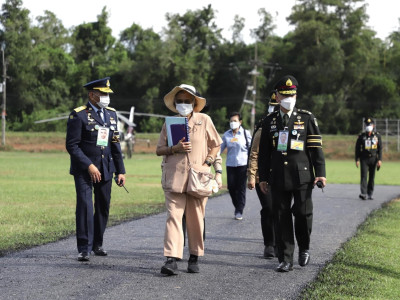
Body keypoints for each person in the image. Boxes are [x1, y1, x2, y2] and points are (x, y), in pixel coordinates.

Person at [258, 75, 326, 272]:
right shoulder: (269, 121)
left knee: (303, 214)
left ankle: (304, 248)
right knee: (281, 216)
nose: (289, 98)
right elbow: (263, 154)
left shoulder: (306, 118)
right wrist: (263, 177)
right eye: (285, 95)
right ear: (277, 97)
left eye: (293, 94)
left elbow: (315, 148)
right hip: (278, 175)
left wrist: (320, 173)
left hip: (302, 175)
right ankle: (285, 258)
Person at [156, 84, 222, 275]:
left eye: (187, 101)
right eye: (180, 101)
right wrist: (173, 148)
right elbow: (159, 149)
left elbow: (216, 144)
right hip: (174, 175)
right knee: (173, 217)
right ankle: (171, 259)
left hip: (198, 176)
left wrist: (209, 161)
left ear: (194, 103)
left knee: (196, 219)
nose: (183, 104)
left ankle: (194, 256)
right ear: (175, 104)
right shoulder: (169, 123)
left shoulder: (204, 120)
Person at [66, 77, 126, 262]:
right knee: (85, 206)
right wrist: (89, 165)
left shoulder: (111, 114)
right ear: (92, 95)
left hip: (106, 167)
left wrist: (120, 170)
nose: (107, 97)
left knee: (103, 206)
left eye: (108, 94)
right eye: (103, 94)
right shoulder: (79, 115)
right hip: (85, 169)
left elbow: (115, 144)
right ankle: (84, 248)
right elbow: (72, 146)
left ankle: (97, 244)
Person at [247, 91, 279, 258]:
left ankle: (280, 242)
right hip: (263, 177)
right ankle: (269, 244)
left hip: (282, 176)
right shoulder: (263, 126)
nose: (274, 109)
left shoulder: (290, 125)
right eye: (272, 106)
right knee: (268, 208)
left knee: (281, 209)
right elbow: (254, 153)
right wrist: (252, 176)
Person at [221, 112, 252, 220]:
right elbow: (219, 148)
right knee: (231, 187)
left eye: (235, 121)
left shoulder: (245, 134)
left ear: (240, 122)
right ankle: (237, 206)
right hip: (230, 164)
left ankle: (239, 210)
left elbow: (251, 149)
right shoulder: (226, 135)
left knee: (241, 188)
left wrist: (251, 165)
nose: (233, 123)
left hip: (242, 164)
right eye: (231, 121)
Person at [355, 117, 382, 200]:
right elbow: (357, 148)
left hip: (373, 159)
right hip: (364, 159)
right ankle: (363, 193)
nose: (368, 126)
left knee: (371, 176)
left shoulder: (377, 136)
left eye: (370, 125)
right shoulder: (362, 136)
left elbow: (380, 148)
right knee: (363, 176)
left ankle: (370, 193)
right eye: (367, 125)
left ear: (373, 125)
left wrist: (379, 160)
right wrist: (357, 159)